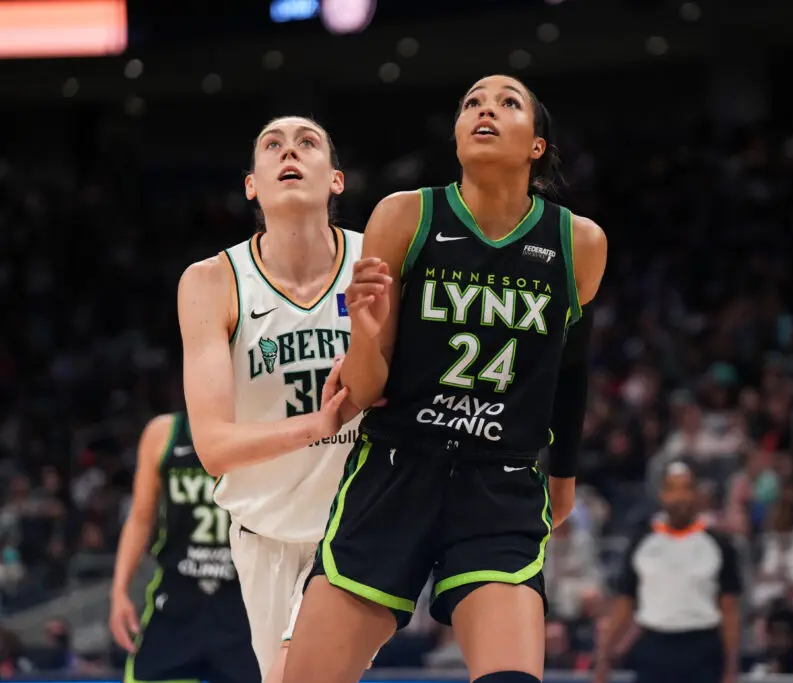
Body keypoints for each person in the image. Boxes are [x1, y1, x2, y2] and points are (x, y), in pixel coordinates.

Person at [283, 74, 608, 683]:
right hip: (396, 469)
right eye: (471, 104)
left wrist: (562, 478)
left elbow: (572, 370)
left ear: (537, 144)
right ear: (457, 135)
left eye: (507, 103)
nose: (485, 109)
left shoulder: (578, 241)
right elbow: (362, 388)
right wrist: (365, 328)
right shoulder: (407, 215)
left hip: (499, 482)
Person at [177, 115, 370, 683]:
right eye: (273, 145)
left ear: (336, 180)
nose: (290, 151)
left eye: (308, 143)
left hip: (356, 525)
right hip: (262, 533)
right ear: (251, 185)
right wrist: (318, 423)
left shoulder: (376, 261)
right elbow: (213, 447)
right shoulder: (212, 281)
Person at [109, 411, 260, 683]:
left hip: (245, 605)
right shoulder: (163, 433)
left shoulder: (261, 428)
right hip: (177, 598)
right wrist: (119, 590)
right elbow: (141, 517)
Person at [593, 461, 743, 683]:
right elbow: (625, 604)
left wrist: (731, 669)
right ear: (662, 494)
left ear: (696, 494)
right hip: (654, 648)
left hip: (703, 650)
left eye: (686, 488)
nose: (679, 497)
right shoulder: (642, 541)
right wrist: (603, 660)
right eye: (672, 488)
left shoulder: (719, 544)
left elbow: (729, 609)